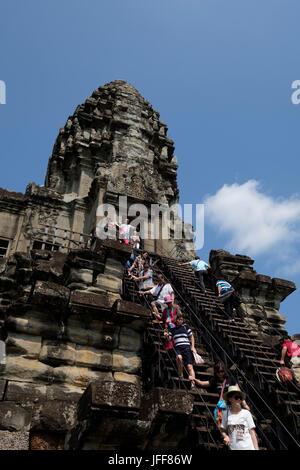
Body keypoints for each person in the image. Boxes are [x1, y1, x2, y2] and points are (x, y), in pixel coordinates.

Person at [220, 386, 259, 450]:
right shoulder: (225, 414)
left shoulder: (246, 413)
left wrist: (256, 449)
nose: (239, 399)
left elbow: (252, 433)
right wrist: (225, 436)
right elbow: (222, 430)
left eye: (240, 398)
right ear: (230, 399)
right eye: (236, 397)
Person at [165, 313, 197, 390]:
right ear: (176, 320)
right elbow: (169, 339)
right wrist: (166, 335)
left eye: (182, 319)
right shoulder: (172, 329)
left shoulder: (185, 327)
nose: (181, 320)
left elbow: (191, 336)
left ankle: (193, 384)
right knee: (179, 358)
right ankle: (181, 375)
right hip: (178, 348)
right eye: (179, 319)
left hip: (187, 348)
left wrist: (192, 347)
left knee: (189, 366)